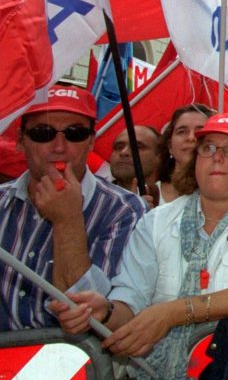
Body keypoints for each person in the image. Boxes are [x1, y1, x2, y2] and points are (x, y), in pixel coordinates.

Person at [53, 113, 228, 380]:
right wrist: (106, 312)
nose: (218, 158)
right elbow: (131, 298)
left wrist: (174, 312)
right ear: (194, 159)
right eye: (208, 148)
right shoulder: (156, 221)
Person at [0, 86, 146, 330]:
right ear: (20, 141)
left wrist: (67, 220)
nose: (59, 146)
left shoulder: (124, 210)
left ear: (91, 141)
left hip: (71, 360)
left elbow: (88, 316)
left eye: (74, 133)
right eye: (43, 133)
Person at [157, 103, 215, 205]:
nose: (191, 138)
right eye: (182, 132)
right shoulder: (146, 194)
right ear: (170, 146)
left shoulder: (227, 195)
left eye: (200, 131)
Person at [109, 125, 162, 199]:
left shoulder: (179, 204)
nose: (124, 152)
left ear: (159, 157)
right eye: (119, 147)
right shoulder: (94, 198)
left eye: (137, 147)